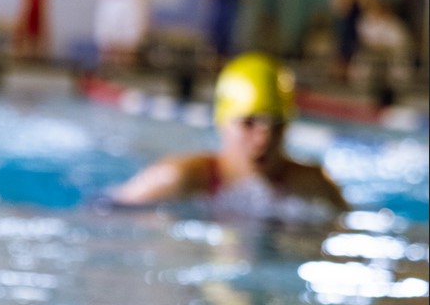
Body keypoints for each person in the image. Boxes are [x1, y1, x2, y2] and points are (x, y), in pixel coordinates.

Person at [110, 52, 349, 219]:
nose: (263, 140)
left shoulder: (314, 185)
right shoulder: (177, 179)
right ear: (222, 123)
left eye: (276, 125)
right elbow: (108, 213)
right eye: (248, 123)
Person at [331, 0, 373, 83]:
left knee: (355, 54)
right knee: (343, 53)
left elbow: (367, 8)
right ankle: (340, 76)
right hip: (347, 27)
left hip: (359, 28)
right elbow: (338, 8)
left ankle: (349, 75)